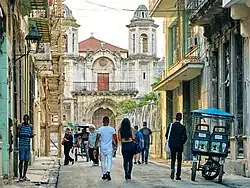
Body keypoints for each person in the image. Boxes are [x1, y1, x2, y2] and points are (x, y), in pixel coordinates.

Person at [166, 112, 187, 180]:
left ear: (175, 118)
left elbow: (166, 135)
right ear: (181, 118)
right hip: (180, 146)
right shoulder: (183, 127)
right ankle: (178, 175)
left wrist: (170, 142)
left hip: (172, 145)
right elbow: (185, 137)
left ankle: (172, 169)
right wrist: (182, 142)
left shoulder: (171, 125)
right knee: (179, 160)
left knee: (173, 158)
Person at [94, 116, 117, 181]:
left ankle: (104, 174)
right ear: (109, 121)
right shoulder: (112, 129)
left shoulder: (100, 129)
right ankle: (108, 171)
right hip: (109, 147)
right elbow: (115, 138)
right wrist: (115, 145)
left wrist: (95, 147)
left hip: (102, 147)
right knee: (109, 160)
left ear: (103, 122)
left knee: (103, 161)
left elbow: (97, 139)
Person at [17, 114, 35, 181]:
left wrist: (32, 136)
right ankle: (20, 176)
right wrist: (22, 133)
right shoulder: (20, 126)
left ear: (28, 120)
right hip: (21, 145)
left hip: (27, 146)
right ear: (23, 119)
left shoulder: (30, 127)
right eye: (25, 119)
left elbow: (30, 135)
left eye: (27, 119)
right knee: (21, 160)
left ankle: (24, 175)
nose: (26, 120)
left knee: (26, 161)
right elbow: (17, 135)